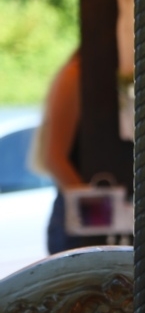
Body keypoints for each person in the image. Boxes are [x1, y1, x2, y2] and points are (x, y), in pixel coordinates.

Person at [35, 49, 112, 254]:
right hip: (79, 219)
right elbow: (54, 158)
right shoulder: (76, 75)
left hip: (96, 213)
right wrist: (99, 215)